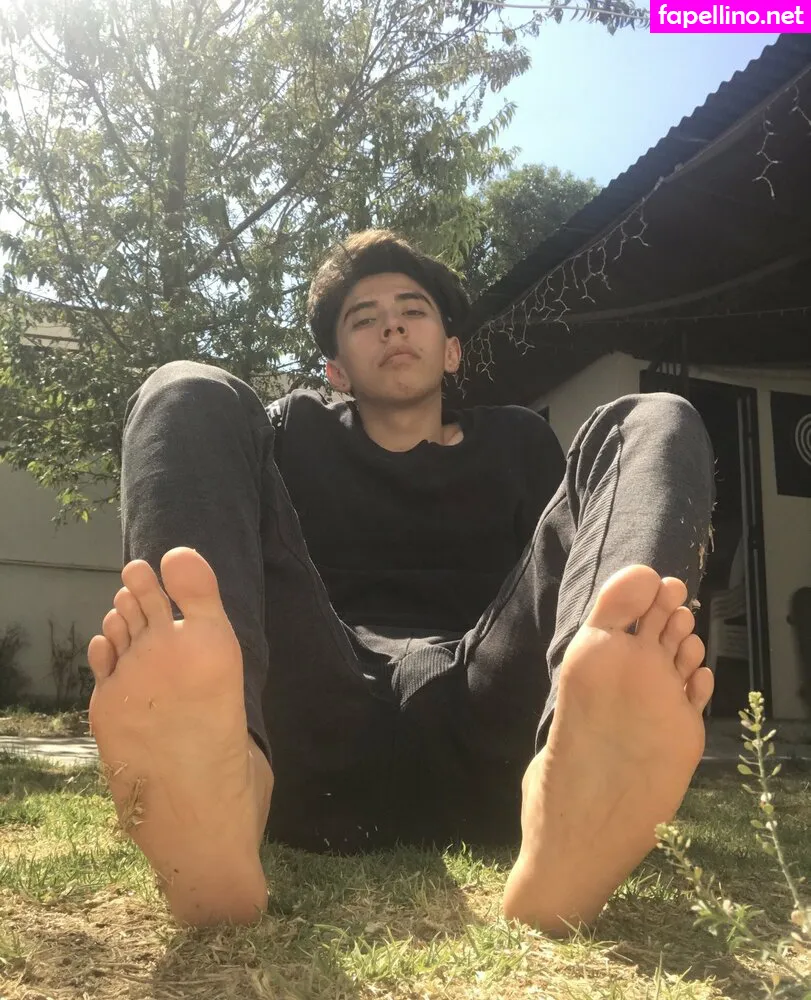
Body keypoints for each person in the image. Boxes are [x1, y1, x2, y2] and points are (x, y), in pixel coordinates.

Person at [86, 230, 716, 934]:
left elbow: (552, 574)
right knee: (186, 388)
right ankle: (220, 786)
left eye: (412, 310)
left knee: (652, 417)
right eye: (364, 319)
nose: (391, 326)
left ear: (451, 351)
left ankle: (581, 779)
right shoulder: (295, 430)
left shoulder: (517, 442)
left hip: (487, 723)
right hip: (317, 725)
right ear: (336, 370)